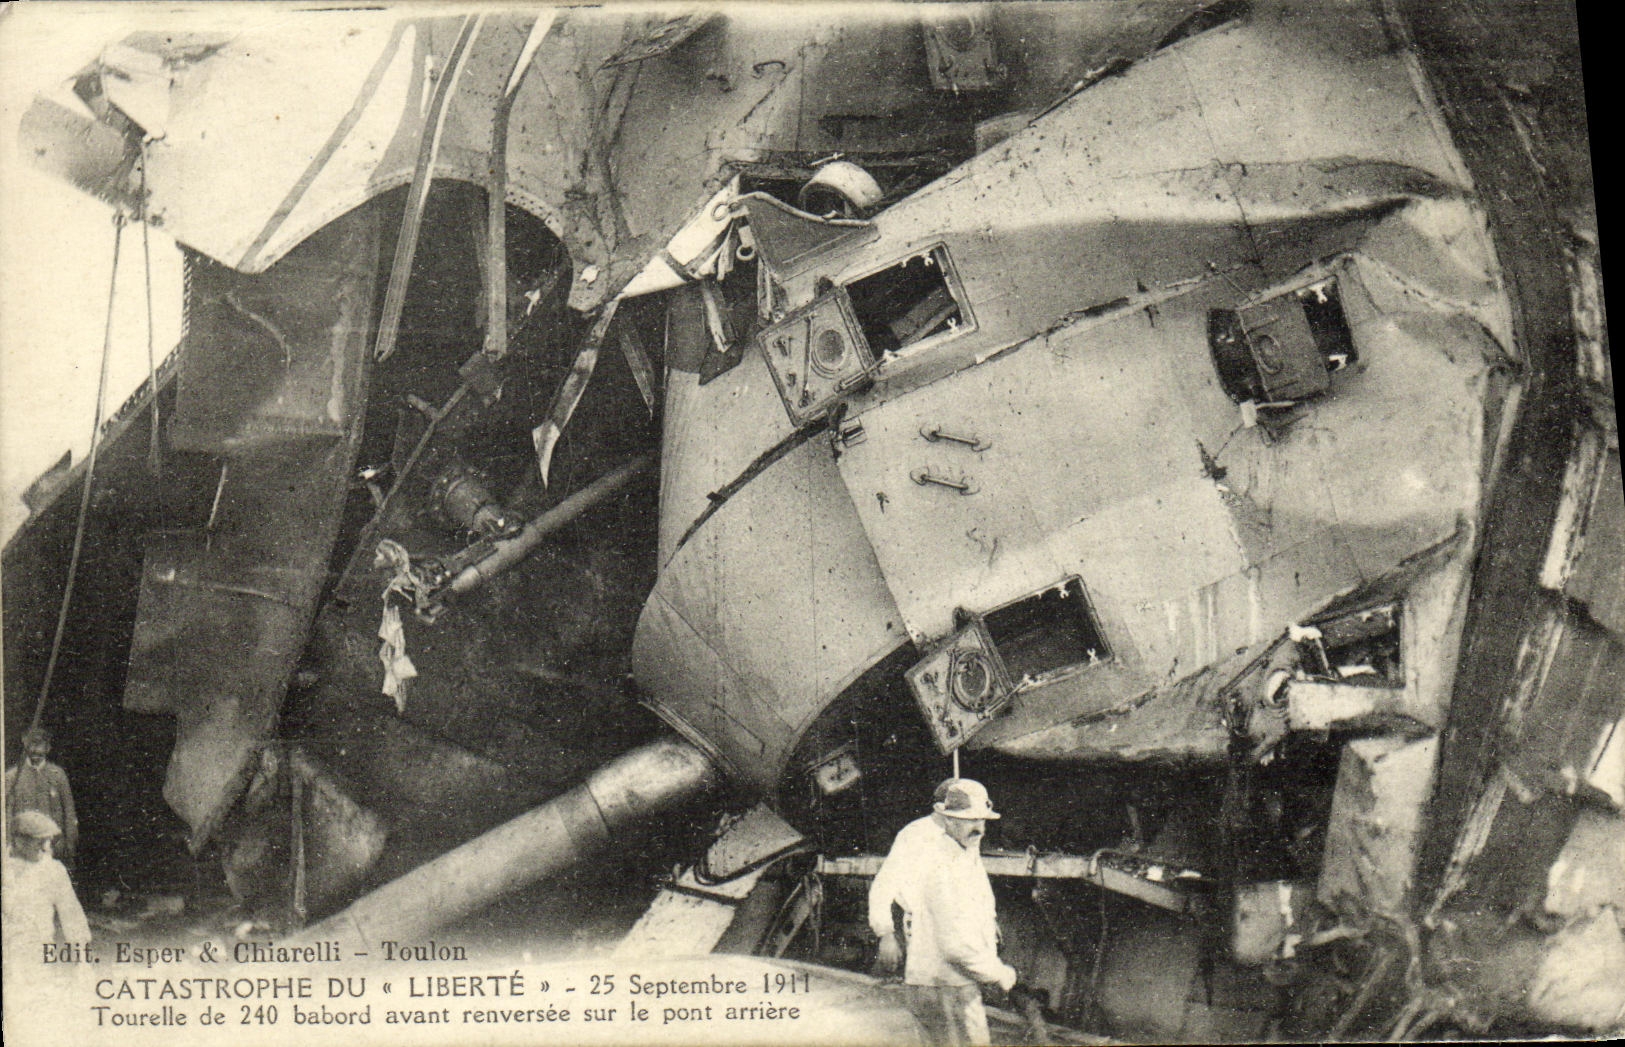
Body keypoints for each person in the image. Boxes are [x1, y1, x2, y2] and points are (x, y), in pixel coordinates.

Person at [868, 778, 1018, 1046]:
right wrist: (885, 933)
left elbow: (976, 881)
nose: (979, 826)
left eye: (980, 819)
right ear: (943, 811)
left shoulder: (963, 838)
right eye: (969, 817)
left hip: (949, 953)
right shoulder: (917, 837)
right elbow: (885, 884)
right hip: (935, 947)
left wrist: (988, 919)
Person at [3, 810, 92, 955]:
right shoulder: (5, 867)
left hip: (40, 954)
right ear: (19, 841)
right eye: (40, 842)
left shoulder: (54, 870)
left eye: (49, 841)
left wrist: (82, 958)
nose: (46, 848)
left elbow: (72, 916)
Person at [6, 726, 78, 865]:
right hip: (24, 850)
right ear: (25, 746)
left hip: (54, 847)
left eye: (40, 745)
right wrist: (9, 846)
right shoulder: (12, 777)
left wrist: (69, 846)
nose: (35, 750)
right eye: (31, 745)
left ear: (48, 748)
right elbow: (7, 815)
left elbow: (69, 813)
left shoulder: (58, 775)